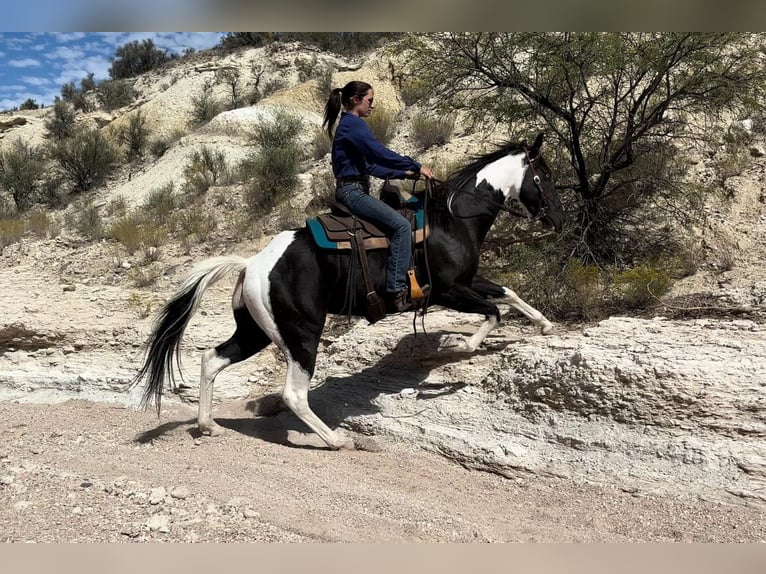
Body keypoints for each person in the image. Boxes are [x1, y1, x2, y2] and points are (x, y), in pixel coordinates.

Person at [322, 80, 434, 312]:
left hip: (353, 188)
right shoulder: (354, 125)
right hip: (353, 192)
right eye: (369, 100)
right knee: (402, 226)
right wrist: (416, 164)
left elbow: (371, 166)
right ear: (356, 100)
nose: (372, 106)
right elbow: (379, 153)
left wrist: (407, 173)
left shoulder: (350, 124)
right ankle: (396, 290)